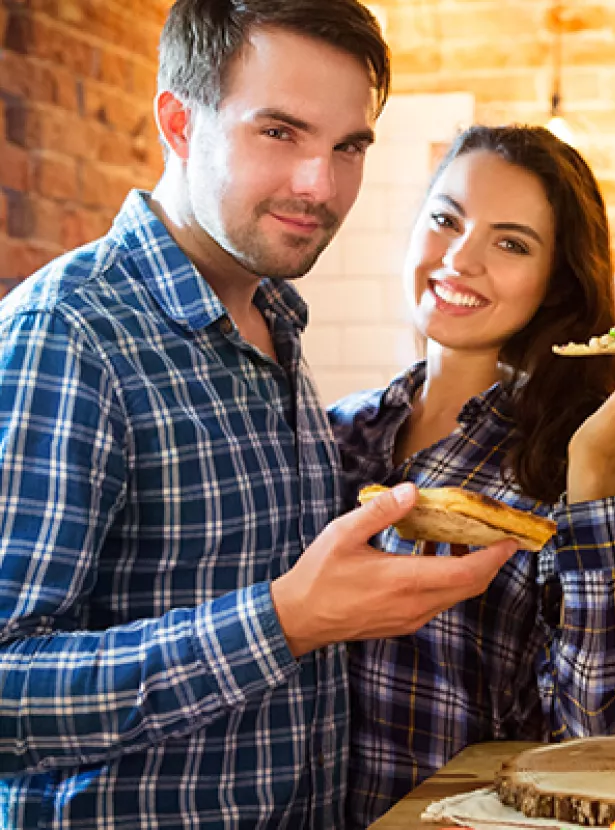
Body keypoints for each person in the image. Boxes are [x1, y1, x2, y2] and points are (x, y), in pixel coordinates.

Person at [0, 2, 518, 827]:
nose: (321, 186)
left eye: (347, 147)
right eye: (279, 132)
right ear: (178, 121)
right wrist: (286, 621)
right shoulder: (69, 332)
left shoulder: (273, 317)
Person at [330, 124, 615, 828]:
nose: (459, 257)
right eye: (445, 219)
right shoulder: (332, 435)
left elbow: (599, 747)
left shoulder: (557, 465)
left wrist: (596, 469)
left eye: (510, 243)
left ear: (554, 285)